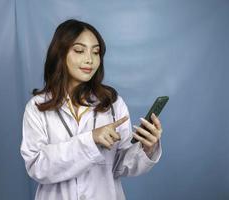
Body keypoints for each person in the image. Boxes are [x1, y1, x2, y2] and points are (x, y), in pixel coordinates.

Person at [20, 19, 163, 200]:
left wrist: (147, 148)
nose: (90, 59)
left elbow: (121, 166)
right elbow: (37, 167)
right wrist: (91, 139)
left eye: (96, 52)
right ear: (60, 53)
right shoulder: (37, 107)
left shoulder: (112, 103)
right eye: (79, 50)